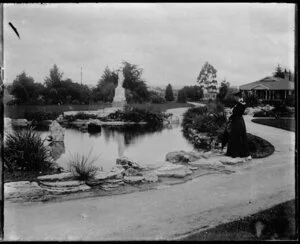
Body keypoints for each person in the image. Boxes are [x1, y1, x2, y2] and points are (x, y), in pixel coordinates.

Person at [225, 90, 252, 160]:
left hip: (238, 122)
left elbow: (236, 114)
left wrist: (229, 118)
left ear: (237, 96)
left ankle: (237, 153)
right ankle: (234, 152)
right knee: (236, 136)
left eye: (235, 97)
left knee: (237, 136)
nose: (234, 98)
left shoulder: (240, 104)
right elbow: (235, 113)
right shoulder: (240, 103)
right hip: (238, 121)